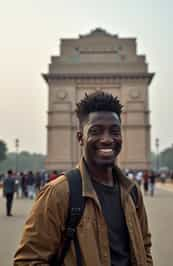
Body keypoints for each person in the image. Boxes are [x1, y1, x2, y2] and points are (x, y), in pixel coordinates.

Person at [14, 91, 153, 266]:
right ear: (80, 137)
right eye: (96, 131)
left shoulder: (132, 192)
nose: (107, 139)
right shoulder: (58, 193)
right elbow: (28, 261)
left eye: (114, 131)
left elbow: (144, 247)